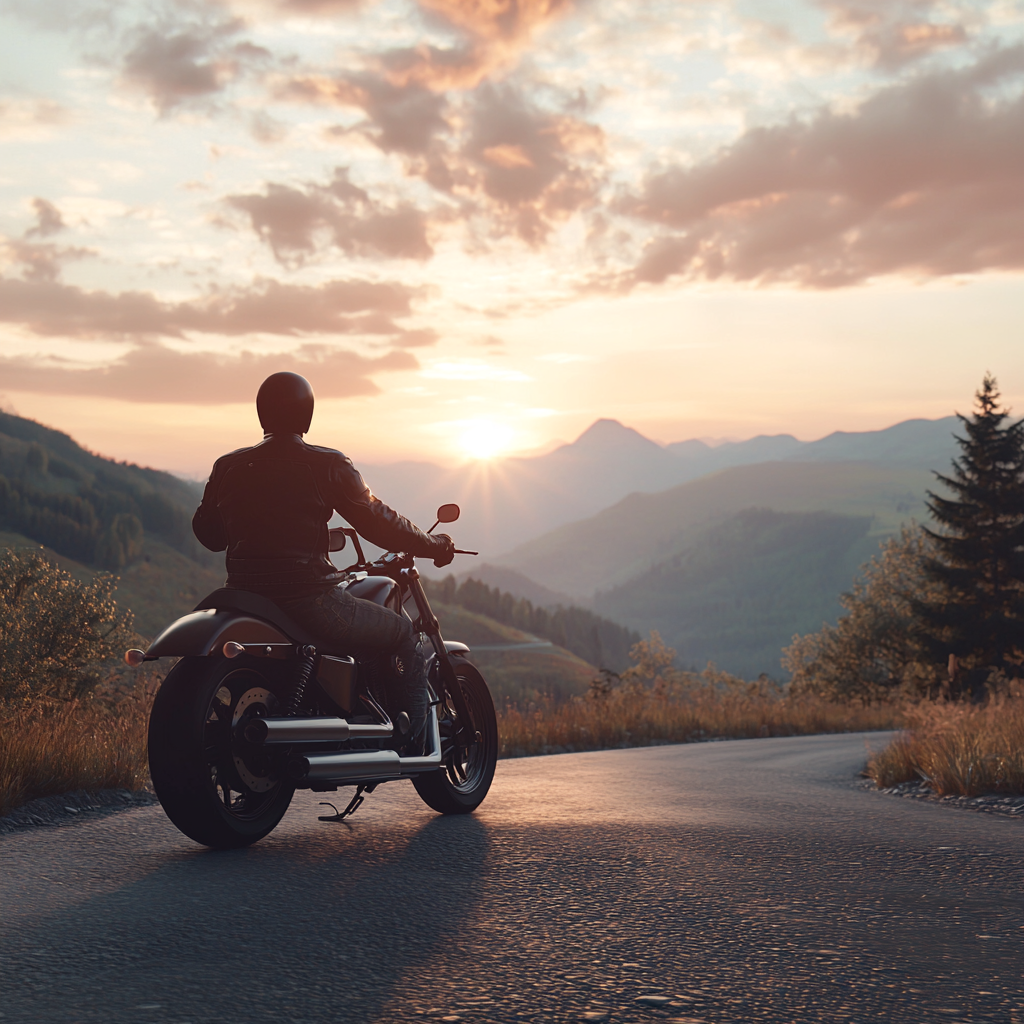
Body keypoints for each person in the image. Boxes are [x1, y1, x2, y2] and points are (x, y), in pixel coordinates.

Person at [192, 371, 454, 749]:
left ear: (261, 413)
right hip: (309, 599)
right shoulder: (325, 464)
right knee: (401, 631)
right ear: (307, 414)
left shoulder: (227, 466)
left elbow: (209, 536)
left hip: (244, 598)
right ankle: (411, 738)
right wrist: (434, 544)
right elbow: (379, 522)